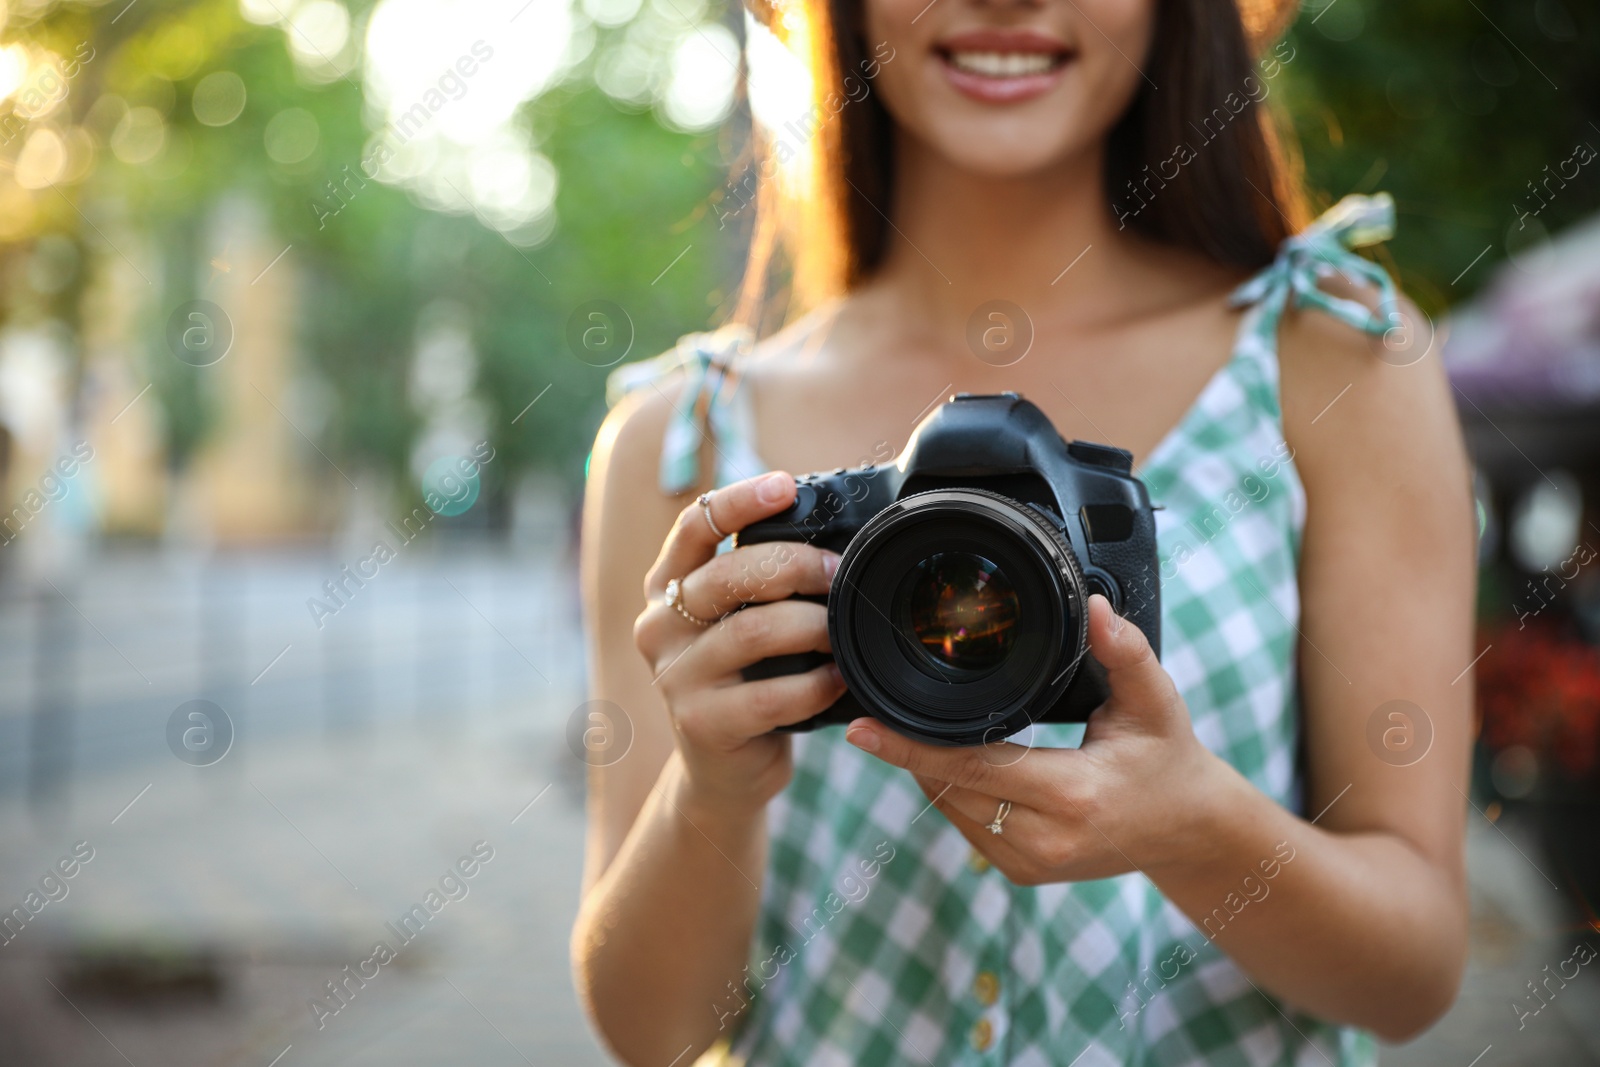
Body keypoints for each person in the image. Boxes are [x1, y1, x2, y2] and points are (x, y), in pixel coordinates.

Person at [573, 0, 1476, 1061]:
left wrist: (1198, 829)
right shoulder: (681, 447)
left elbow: (1413, 972)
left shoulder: (1337, 364)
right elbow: (650, 1032)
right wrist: (712, 789)